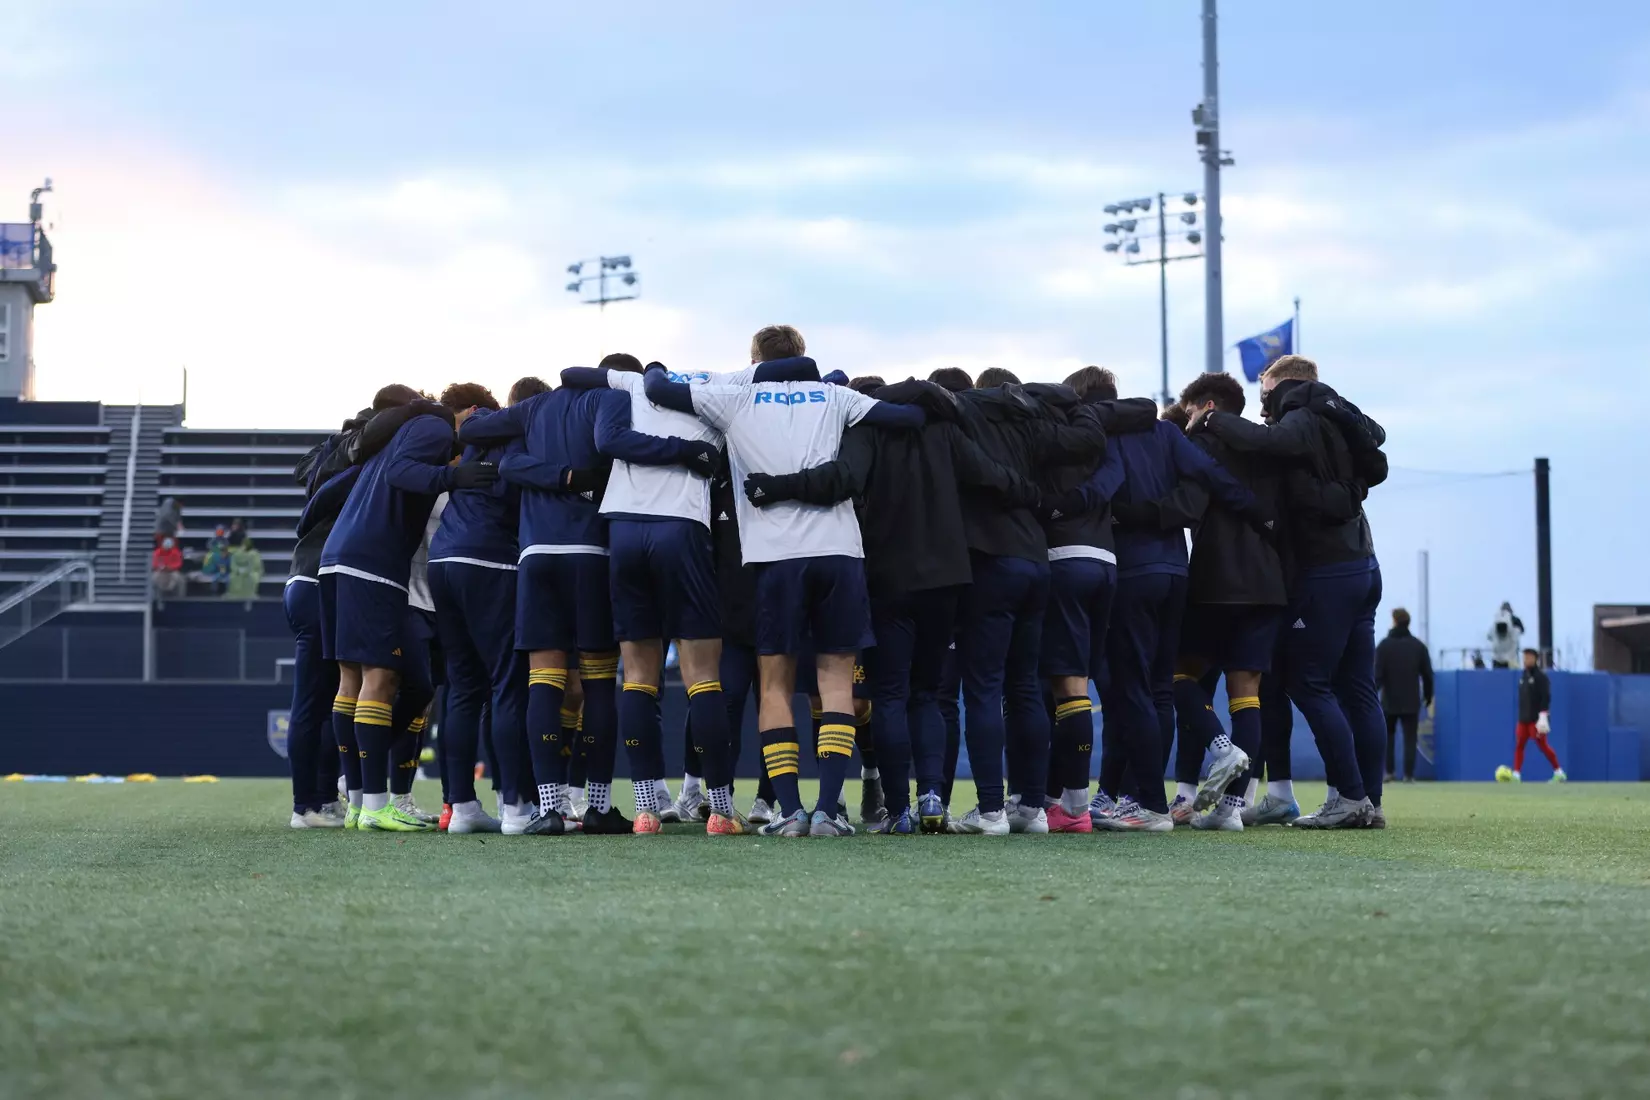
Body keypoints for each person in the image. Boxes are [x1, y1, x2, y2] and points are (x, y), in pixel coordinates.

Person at [644, 324, 925, 837]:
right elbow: (908, 416)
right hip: (839, 552)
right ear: (803, 354)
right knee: (836, 682)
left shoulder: (736, 395)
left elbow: (659, 390)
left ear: (754, 358)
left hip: (775, 559)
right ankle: (827, 812)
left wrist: (656, 367)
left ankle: (791, 813)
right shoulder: (837, 395)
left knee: (774, 685)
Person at [747, 376, 1041, 834]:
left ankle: (898, 810)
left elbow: (842, 478)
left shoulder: (868, 428)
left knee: (889, 695)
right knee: (927, 694)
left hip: (888, 577)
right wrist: (1032, 494)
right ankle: (931, 798)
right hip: (946, 577)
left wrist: (777, 486)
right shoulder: (942, 429)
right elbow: (989, 474)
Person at [461, 358, 711, 836]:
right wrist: (684, 451)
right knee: (597, 684)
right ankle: (596, 806)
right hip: (591, 554)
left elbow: (475, 427)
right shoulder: (612, 398)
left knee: (543, 681)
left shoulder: (534, 407)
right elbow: (611, 443)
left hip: (535, 556)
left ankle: (549, 809)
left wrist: (527, 462)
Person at [555, 353, 764, 835]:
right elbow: (788, 368)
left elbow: (570, 374)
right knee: (702, 677)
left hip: (623, 531)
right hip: (681, 529)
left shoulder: (631, 382)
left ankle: (647, 810)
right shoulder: (725, 385)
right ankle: (717, 809)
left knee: (639, 679)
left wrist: (646, 372)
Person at [1195, 353, 1390, 829]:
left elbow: (1269, 441)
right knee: (1357, 689)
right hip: (1363, 563)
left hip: (1327, 570)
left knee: (1308, 683)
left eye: (1264, 382)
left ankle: (1349, 797)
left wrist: (1212, 418)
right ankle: (1369, 801)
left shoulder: (1302, 414)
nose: (1260, 392)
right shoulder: (1340, 415)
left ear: (1280, 381)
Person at [320, 390, 497, 832]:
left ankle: (362, 801)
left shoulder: (400, 433)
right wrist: (455, 478)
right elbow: (404, 474)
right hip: (374, 563)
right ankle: (375, 801)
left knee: (358, 680)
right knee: (381, 680)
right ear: (471, 414)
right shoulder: (434, 426)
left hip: (343, 558)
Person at [1126, 371, 1286, 831]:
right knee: (1246, 692)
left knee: (1175, 674)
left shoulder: (1202, 443)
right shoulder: (1269, 447)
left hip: (1218, 578)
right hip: (1268, 582)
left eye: (1191, 410)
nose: (1188, 419)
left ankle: (1220, 747)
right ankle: (1231, 810)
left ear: (1207, 407)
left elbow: (1189, 503)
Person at [1097, 382, 1259, 832]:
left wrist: (1117, 514)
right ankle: (1150, 800)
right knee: (1162, 690)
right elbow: (1207, 473)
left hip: (1131, 571)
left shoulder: (1102, 434)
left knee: (1132, 691)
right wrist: (1253, 506)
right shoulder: (1167, 435)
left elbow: (1104, 488)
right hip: (1175, 572)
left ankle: (1145, 803)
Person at [1024, 368, 1157, 832]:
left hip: (1063, 559)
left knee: (1061, 688)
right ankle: (1058, 799)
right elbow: (1116, 470)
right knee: (1078, 685)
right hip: (1107, 564)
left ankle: (1069, 807)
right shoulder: (1104, 432)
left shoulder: (1038, 430)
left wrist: (1055, 508)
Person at [428, 378, 542, 835]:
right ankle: (515, 807)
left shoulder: (470, 442)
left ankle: (461, 806)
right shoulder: (522, 434)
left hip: (444, 559)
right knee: (507, 685)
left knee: (461, 688)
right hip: (489, 560)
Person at [1375, 607, 1433, 783]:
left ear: (1394, 621)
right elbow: (1428, 675)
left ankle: (1389, 772)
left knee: (1388, 737)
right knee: (1410, 738)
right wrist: (1428, 696)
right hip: (1411, 700)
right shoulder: (1418, 646)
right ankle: (1408, 775)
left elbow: (1377, 675)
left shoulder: (1384, 646)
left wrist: (1371, 696)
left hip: (1389, 700)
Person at [1502, 648, 1566, 782]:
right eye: (1525, 657)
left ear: (1535, 659)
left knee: (1543, 745)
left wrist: (1543, 715)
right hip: (1523, 718)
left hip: (1536, 720)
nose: (1526, 660)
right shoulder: (1523, 676)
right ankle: (1516, 775)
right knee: (1519, 746)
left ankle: (1559, 772)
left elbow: (1546, 697)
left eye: (1529, 657)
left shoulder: (1541, 677)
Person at [1489, 603, 1524, 668]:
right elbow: (1522, 630)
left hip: (1504, 656)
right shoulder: (1515, 621)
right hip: (1507, 656)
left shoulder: (1514, 621)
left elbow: (1489, 636)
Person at [151, 536, 185, 601]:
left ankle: (180, 598)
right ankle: (154, 597)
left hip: (172, 571)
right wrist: (160, 567)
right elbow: (154, 563)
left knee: (181, 580)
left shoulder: (176, 552)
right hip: (160, 571)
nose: (167, 548)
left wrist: (170, 567)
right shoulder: (157, 552)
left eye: (168, 547)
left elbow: (178, 563)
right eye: (165, 547)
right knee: (152, 579)